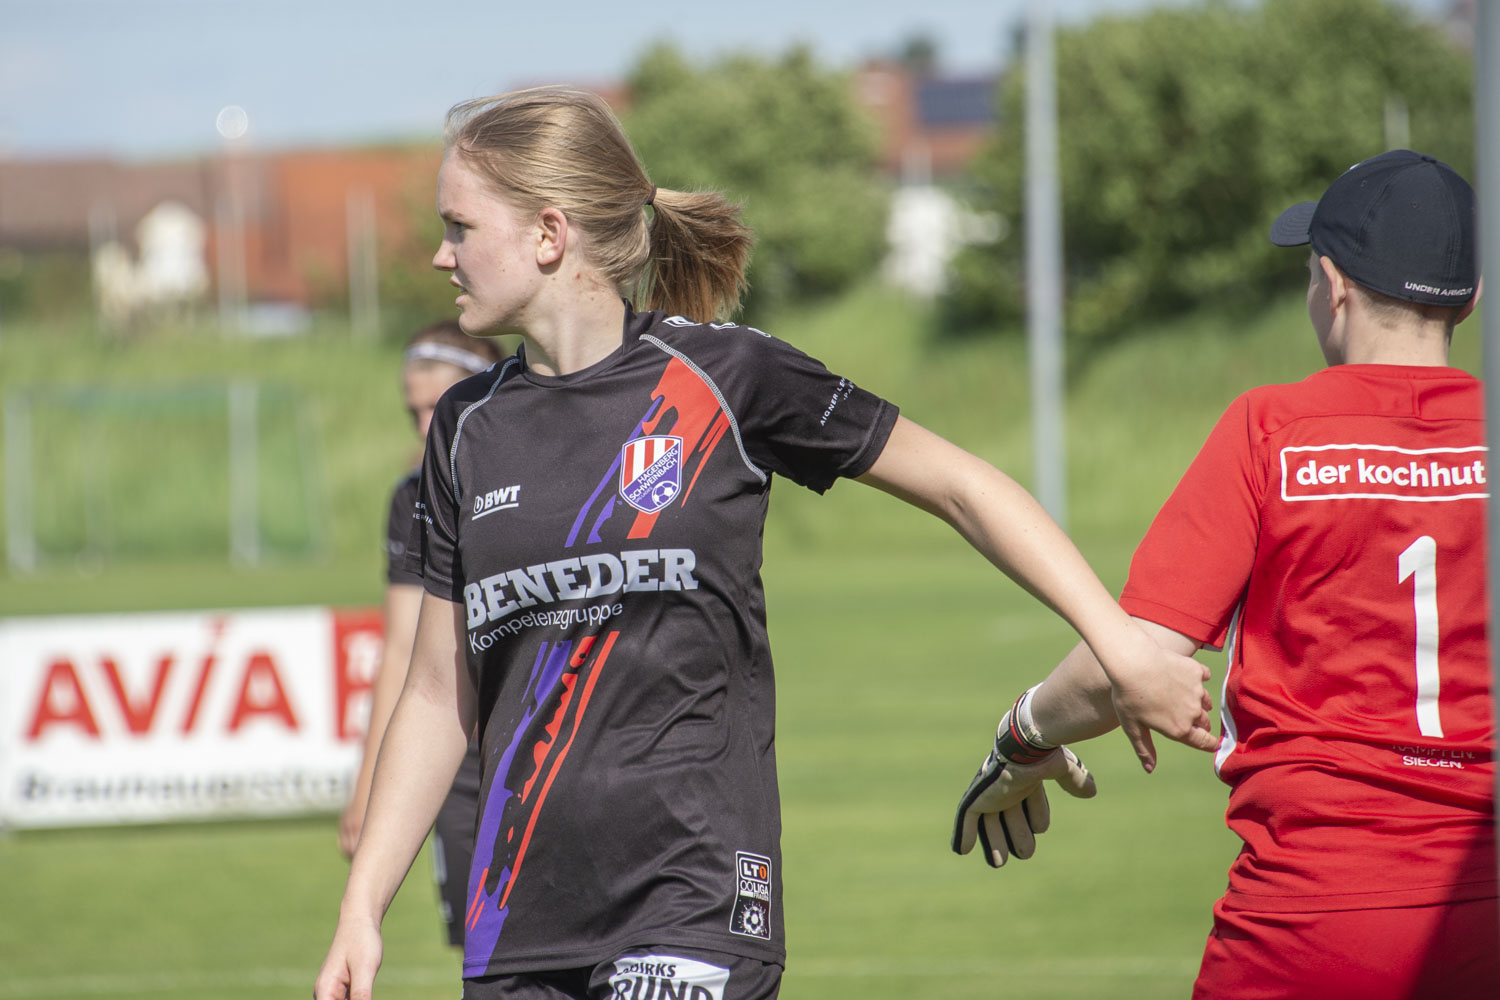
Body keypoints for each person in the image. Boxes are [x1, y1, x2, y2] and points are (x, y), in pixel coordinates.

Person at [313, 85, 1206, 1000]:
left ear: (549, 234)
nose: (441, 254)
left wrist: (1120, 645)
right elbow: (437, 693)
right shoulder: (463, 428)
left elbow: (963, 487)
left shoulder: (726, 375)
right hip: (516, 927)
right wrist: (361, 905)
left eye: (459, 227)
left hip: (693, 899)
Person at [952, 149, 1496, 1000]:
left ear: (1332, 285)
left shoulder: (1271, 429)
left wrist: (1023, 734)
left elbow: (1128, 658)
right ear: (1471, 297)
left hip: (1308, 917)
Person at [338, 320, 505, 950]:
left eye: (437, 405)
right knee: (482, 957)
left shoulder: (546, 476)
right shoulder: (412, 497)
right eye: (413, 411)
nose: (423, 426)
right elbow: (403, 651)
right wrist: (368, 787)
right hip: (455, 761)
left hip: (545, 746)